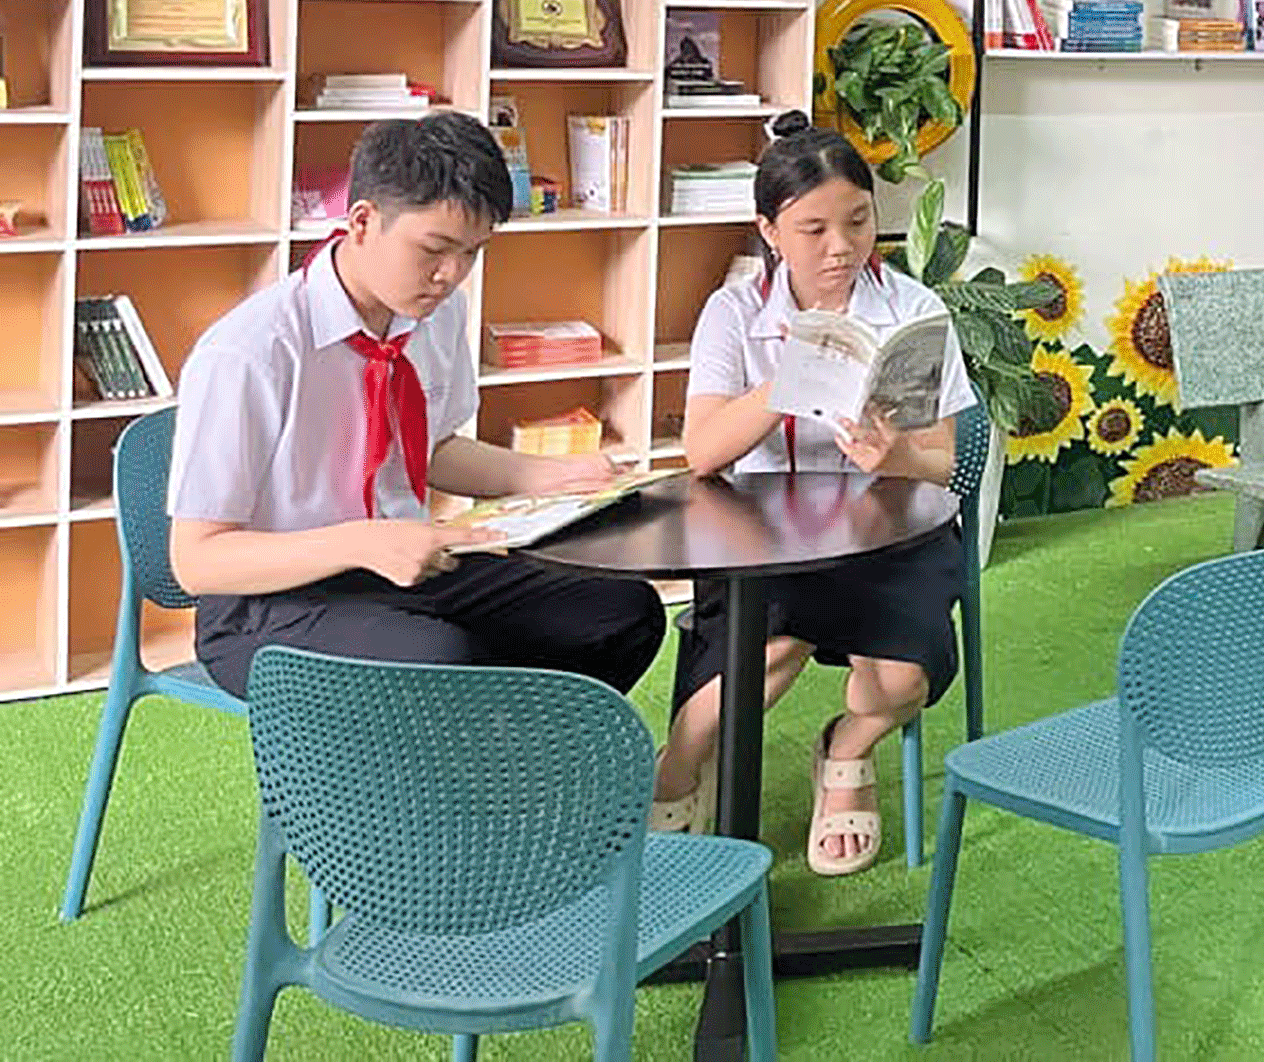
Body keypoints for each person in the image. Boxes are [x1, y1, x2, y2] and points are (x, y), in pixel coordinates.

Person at [167, 113, 664, 701]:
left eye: (472, 254)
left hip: (400, 567)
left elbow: (433, 451)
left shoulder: (436, 316)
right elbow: (197, 562)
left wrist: (552, 477)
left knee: (619, 612)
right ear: (361, 222)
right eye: (435, 249)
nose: (451, 276)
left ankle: (525, 767)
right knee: (439, 657)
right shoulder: (250, 352)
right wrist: (361, 543)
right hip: (267, 601)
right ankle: (476, 773)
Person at [650, 128, 974, 877]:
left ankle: (847, 749)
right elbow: (703, 452)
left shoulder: (915, 310)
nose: (841, 247)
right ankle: (678, 769)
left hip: (886, 527)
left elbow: (945, 460)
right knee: (763, 654)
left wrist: (896, 455)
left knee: (898, 680)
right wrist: (793, 372)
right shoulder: (733, 315)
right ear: (769, 232)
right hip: (765, 530)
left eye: (858, 221)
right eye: (814, 228)